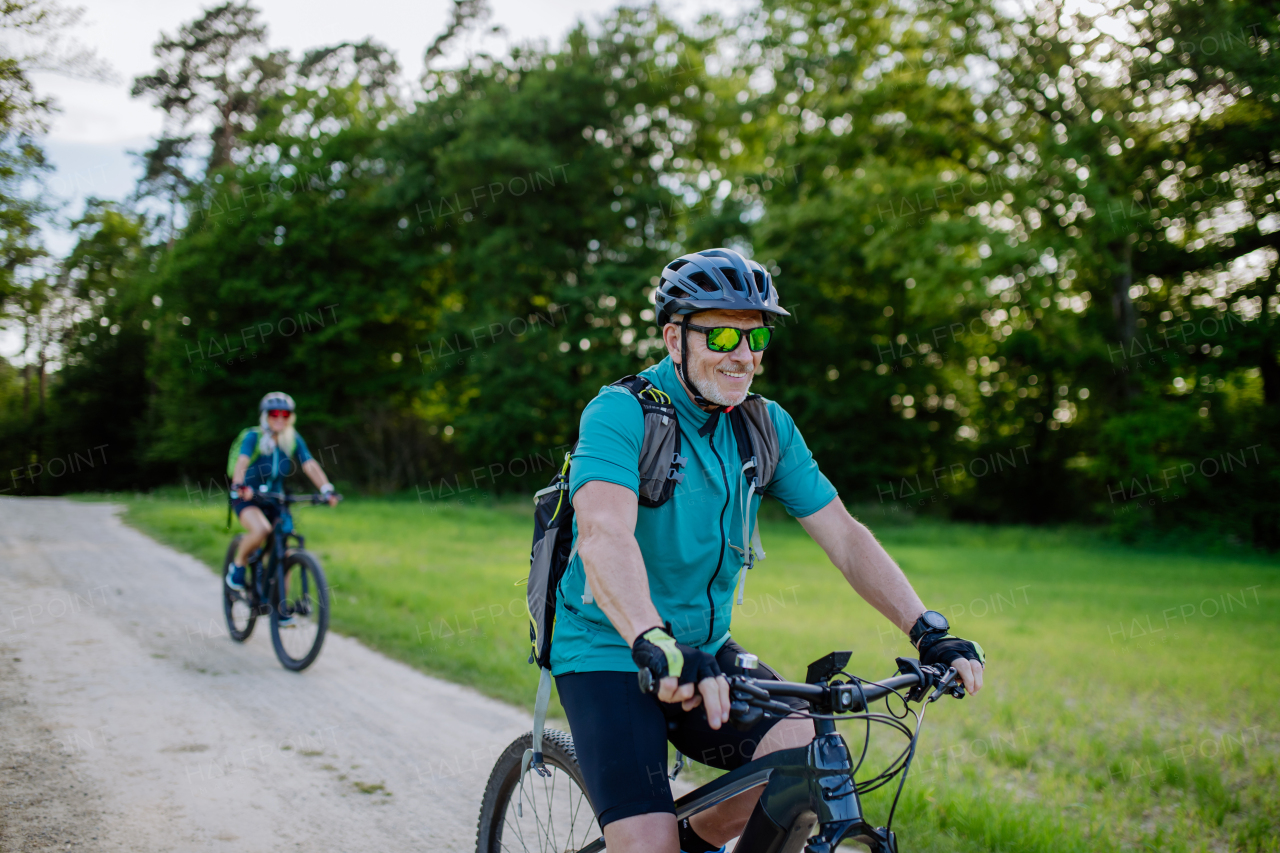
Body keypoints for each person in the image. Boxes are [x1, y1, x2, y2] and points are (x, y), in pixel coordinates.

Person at [552, 248, 986, 853]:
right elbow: (604, 535)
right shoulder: (621, 413)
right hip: (611, 647)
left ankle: (693, 839)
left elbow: (845, 535)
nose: (743, 355)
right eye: (724, 334)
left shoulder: (765, 426)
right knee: (648, 846)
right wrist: (652, 640)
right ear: (674, 337)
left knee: (805, 755)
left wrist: (927, 629)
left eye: (756, 338)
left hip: (705, 649)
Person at [226, 392, 337, 613]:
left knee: (284, 551)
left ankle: (280, 609)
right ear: (265, 416)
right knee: (261, 530)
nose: (279, 418)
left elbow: (309, 465)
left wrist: (326, 489)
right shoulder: (254, 437)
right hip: (248, 496)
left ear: (290, 417)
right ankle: (237, 566)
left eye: (285, 414)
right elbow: (242, 461)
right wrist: (239, 485)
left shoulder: (292, 439)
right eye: (274, 413)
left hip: (276, 499)